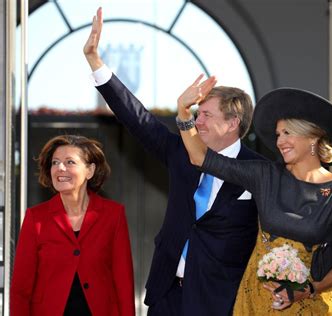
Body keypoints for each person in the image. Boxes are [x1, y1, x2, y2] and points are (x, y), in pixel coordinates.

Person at [83, 8, 264, 316]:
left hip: (221, 302)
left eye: (206, 114)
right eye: (197, 112)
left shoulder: (260, 171)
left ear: (233, 123)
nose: (198, 120)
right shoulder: (180, 152)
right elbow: (137, 118)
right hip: (167, 295)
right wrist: (95, 61)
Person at [177, 81, 332, 314]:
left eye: (288, 133)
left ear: (312, 138)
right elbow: (200, 157)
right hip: (258, 302)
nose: (279, 141)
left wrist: (309, 288)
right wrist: (183, 112)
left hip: (312, 304)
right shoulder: (265, 175)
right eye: (278, 134)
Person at [10, 135, 135, 316]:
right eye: (55, 162)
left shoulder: (113, 215)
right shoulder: (35, 218)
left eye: (70, 162)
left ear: (90, 170)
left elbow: (124, 283)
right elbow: (20, 289)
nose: (60, 168)